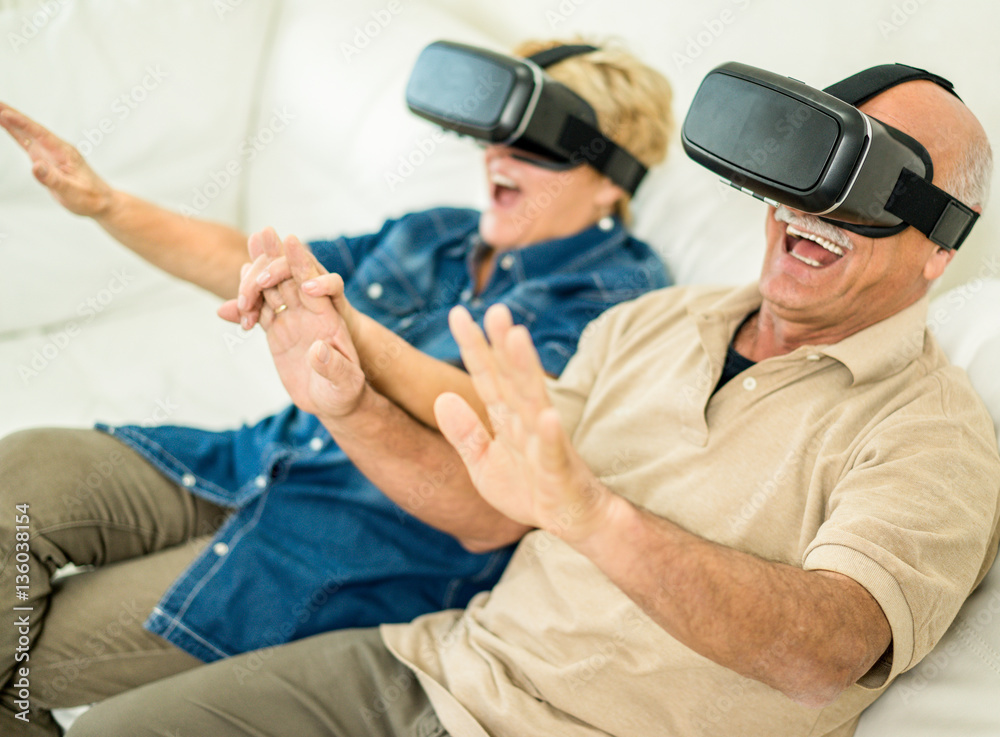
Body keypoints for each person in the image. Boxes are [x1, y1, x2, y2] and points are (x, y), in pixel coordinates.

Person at [64, 69, 1000, 737]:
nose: (811, 206)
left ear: (940, 247)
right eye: (803, 164)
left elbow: (827, 652)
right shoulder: (654, 323)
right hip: (433, 669)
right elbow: (491, 511)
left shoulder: (934, 433)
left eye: (868, 186)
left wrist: (596, 516)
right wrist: (346, 405)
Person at [0, 39, 675, 736]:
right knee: (19, 473)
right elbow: (256, 264)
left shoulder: (619, 293)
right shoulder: (438, 232)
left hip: (337, 550)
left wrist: (354, 331)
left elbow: (505, 419)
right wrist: (107, 203)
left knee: (28, 667)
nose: (498, 157)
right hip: (248, 461)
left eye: (534, 145)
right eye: (496, 136)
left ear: (613, 177)